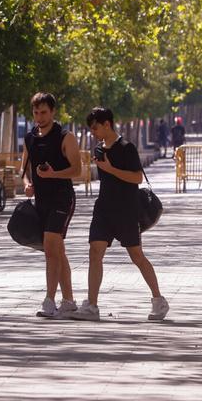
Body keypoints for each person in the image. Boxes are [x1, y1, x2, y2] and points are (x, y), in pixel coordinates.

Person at [70, 107, 168, 322]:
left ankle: (159, 300)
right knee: (95, 252)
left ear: (107, 124)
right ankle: (92, 305)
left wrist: (111, 168)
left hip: (126, 210)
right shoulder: (98, 150)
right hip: (103, 209)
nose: (93, 132)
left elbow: (137, 179)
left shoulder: (127, 148)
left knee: (137, 257)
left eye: (96, 127)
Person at [21, 92, 82, 319]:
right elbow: (24, 171)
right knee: (57, 251)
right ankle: (69, 301)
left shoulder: (66, 137)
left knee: (50, 248)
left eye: (44, 112)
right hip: (41, 201)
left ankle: (49, 300)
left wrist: (54, 174)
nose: (39, 117)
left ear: (53, 112)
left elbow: (77, 170)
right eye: (36, 112)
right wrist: (29, 185)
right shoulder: (30, 138)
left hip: (62, 198)